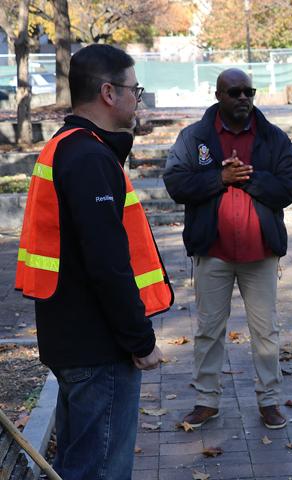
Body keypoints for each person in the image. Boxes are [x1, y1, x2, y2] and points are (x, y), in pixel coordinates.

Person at [15, 44, 173, 479]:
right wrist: (140, 341)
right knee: (100, 469)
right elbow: (107, 263)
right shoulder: (88, 157)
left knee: (79, 464)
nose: (137, 99)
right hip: (98, 347)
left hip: (75, 338)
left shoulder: (69, 147)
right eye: (134, 90)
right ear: (108, 92)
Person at [164, 68, 292, 430]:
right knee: (209, 329)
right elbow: (176, 183)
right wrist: (219, 179)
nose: (243, 98)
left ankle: (269, 400)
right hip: (213, 251)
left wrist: (251, 177)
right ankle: (206, 401)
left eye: (249, 92)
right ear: (219, 95)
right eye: (235, 92)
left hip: (261, 253)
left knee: (266, 330)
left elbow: (289, 186)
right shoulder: (195, 138)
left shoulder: (273, 138)